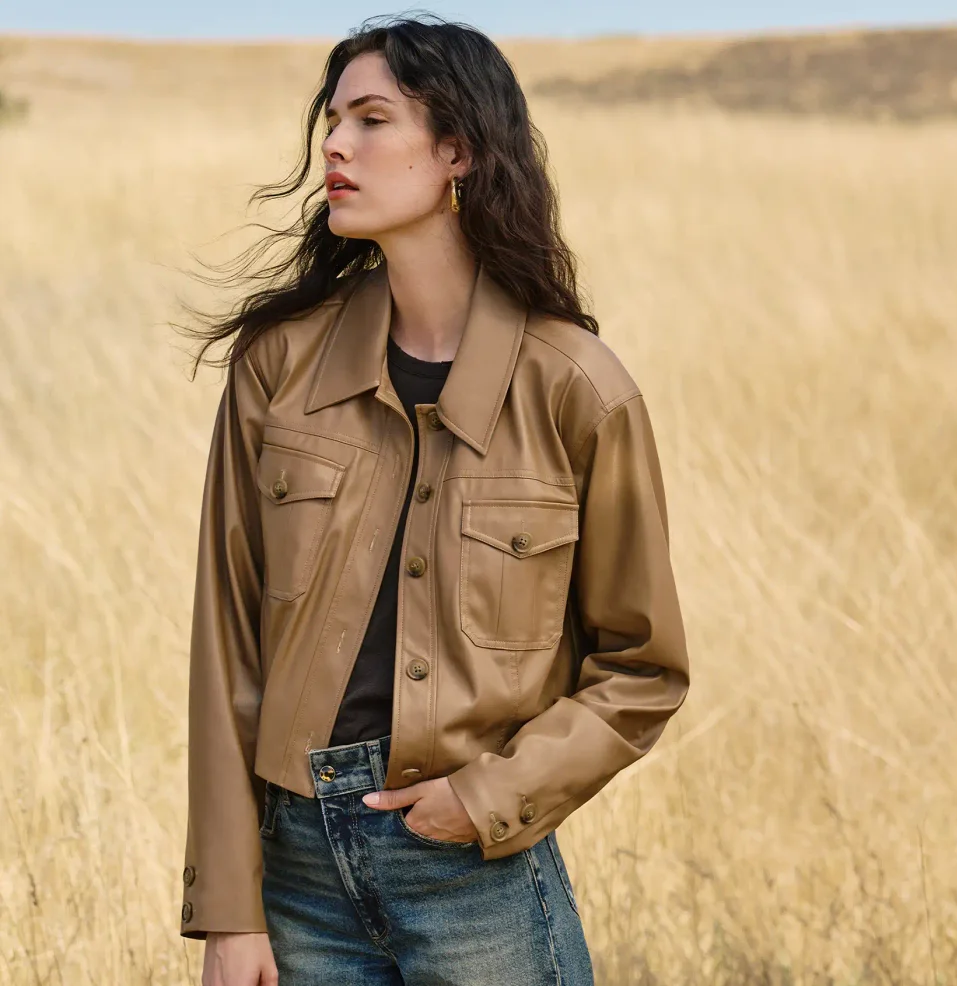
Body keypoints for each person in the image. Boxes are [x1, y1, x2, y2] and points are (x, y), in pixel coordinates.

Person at [172, 14, 690, 986]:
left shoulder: (575, 387)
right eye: (332, 120)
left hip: (472, 873)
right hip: (292, 871)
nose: (333, 144)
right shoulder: (276, 366)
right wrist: (229, 911)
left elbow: (640, 665)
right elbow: (225, 651)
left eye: (371, 119)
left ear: (457, 150)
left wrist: (493, 793)